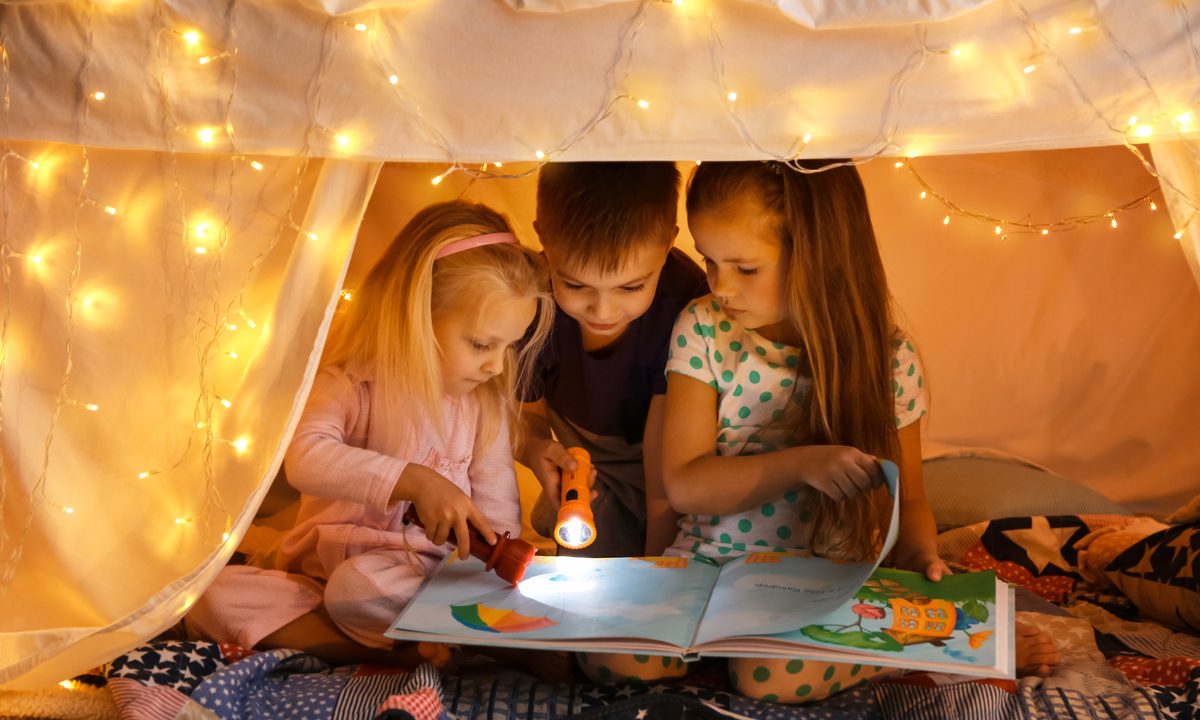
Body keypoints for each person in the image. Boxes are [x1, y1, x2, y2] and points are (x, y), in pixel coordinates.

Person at [577, 160, 1058, 700]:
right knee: (611, 655)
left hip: (820, 583)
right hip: (705, 571)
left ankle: (920, 645)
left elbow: (913, 498)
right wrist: (802, 463)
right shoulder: (703, 326)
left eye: (745, 268)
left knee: (768, 678)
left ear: (817, 254)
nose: (721, 286)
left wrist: (920, 556)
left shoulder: (886, 358)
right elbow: (685, 483)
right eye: (709, 261)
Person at [187, 200, 554, 668]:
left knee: (358, 588)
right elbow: (307, 457)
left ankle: (402, 639)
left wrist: (494, 559)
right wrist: (415, 480)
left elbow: (497, 507)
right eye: (482, 344)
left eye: (509, 345)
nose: (496, 365)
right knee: (208, 593)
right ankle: (390, 650)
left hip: (412, 578)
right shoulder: (347, 382)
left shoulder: (484, 404)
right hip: (317, 579)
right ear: (414, 316)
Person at [520, 162, 707, 558]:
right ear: (542, 237)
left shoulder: (685, 305)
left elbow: (664, 470)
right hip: (587, 476)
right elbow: (525, 417)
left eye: (631, 286)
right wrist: (535, 448)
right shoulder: (529, 304)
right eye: (575, 284)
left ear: (668, 244)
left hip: (675, 469)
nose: (602, 310)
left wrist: (657, 564)